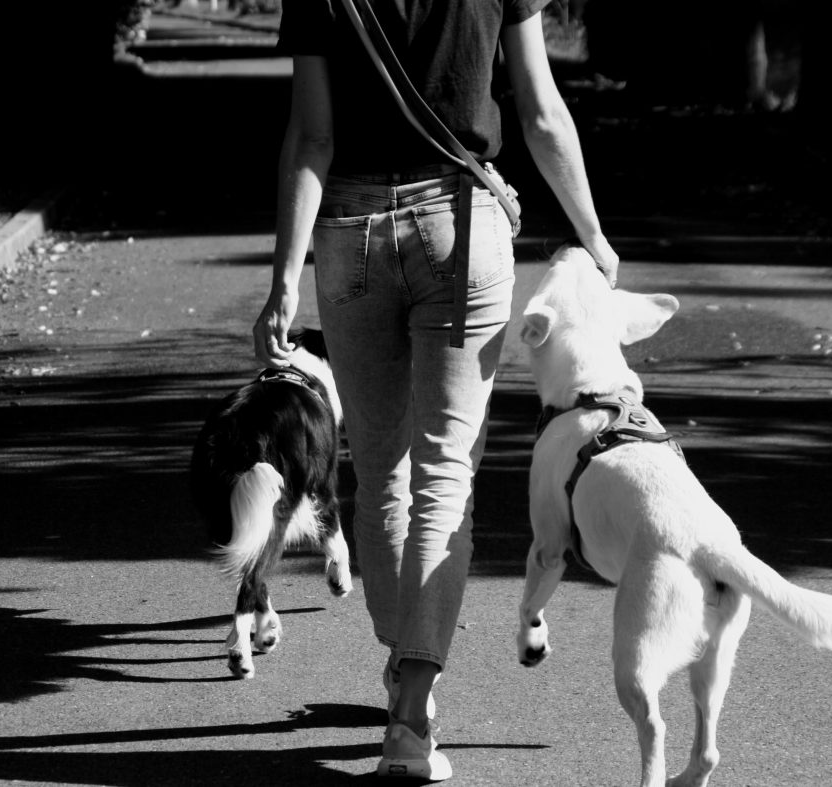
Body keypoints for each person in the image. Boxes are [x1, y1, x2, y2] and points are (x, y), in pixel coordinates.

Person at [253, 1, 619, 780]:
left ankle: (405, 663)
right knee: (445, 476)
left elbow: (313, 138)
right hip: (460, 223)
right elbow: (541, 111)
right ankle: (413, 708)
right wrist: (593, 235)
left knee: (380, 468)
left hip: (347, 230)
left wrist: (284, 277)